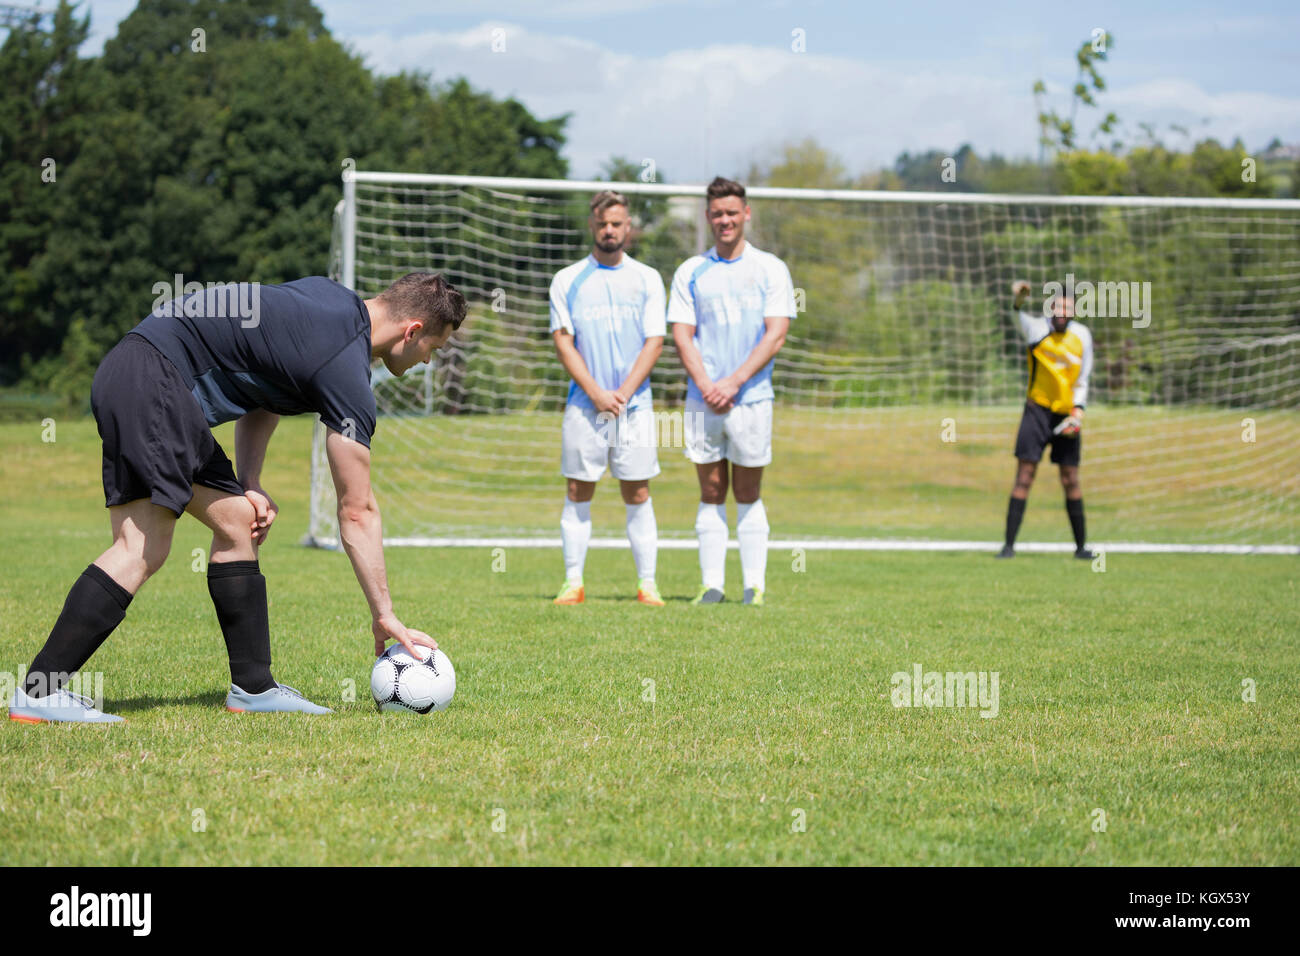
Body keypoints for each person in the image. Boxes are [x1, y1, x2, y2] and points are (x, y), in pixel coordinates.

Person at [9, 272, 465, 723]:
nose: (428, 362)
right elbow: (357, 511)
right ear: (413, 331)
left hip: (132, 369)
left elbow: (266, 387)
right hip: (156, 382)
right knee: (141, 547)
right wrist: (384, 614)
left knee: (236, 525)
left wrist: (251, 480)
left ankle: (254, 688)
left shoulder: (328, 301)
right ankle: (40, 691)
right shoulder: (346, 371)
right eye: (434, 349)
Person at [668, 177, 795, 605]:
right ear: (708, 217)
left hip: (752, 398)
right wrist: (707, 384)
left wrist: (735, 381)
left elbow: (775, 334)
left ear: (746, 214)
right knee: (709, 490)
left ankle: (753, 586)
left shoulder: (771, 268)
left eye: (732, 213)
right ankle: (711, 586)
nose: (725, 220)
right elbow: (682, 335)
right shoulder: (691, 271)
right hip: (703, 399)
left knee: (747, 491)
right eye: (717, 213)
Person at [548, 190, 667, 606]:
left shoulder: (648, 278)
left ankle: (647, 584)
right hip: (585, 404)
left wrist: (622, 393)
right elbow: (563, 342)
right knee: (579, 490)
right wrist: (597, 394)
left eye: (617, 223)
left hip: (634, 406)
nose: (609, 230)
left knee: (637, 492)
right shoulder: (567, 279)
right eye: (602, 224)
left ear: (628, 227)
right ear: (591, 225)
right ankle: (573, 583)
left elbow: (655, 341)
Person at [998, 279, 1094, 560]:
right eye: (1058, 305)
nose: (1062, 310)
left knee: (1070, 478)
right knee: (1025, 476)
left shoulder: (1082, 336)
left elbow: (1082, 379)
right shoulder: (1036, 329)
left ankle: (1081, 548)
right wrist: (1018, 299)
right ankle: (1008, 547)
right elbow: (1016, 315)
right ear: (1050, 307)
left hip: (1067, 414)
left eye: (1068, 306)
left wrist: (1079, 411)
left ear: (1074, 309)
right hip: (1036, 412)